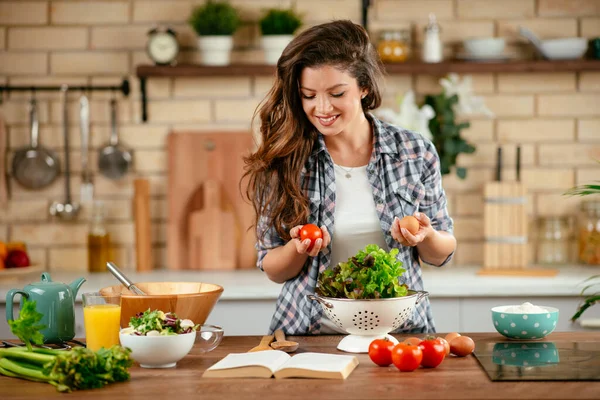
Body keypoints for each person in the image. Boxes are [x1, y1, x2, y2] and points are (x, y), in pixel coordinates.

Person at [242, 20, 457, 335]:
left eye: (337, 93)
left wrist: (426, 236)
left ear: (364, 87)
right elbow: (272, 268)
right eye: (309, 95)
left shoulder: (414, 151)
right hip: (308, 336)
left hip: (399, 335)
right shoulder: (284, 160)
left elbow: (443, 253)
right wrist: (296, 248)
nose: (322, 107)